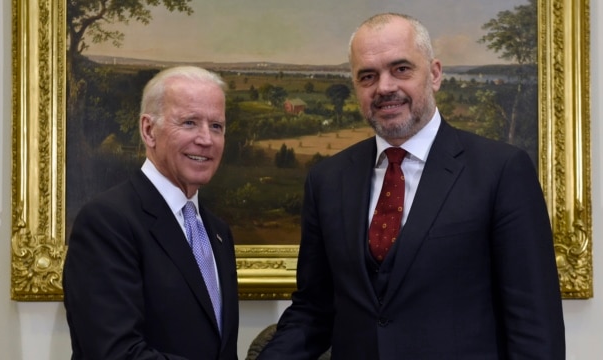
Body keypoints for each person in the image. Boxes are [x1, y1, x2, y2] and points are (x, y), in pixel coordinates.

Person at [257, 13, 565, 359]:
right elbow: (314, 310)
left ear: (434, 74)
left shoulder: (501, 171)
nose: (384, 87)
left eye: (401, 69)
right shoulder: (327, 180)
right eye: (368, 76)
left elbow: (534, 325)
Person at [63, 66, 239, 359]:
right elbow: (115, 352)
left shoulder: (218, 232)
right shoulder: (106, 223)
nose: (206, 139)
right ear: (148, 130)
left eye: (216, 126)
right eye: (190, 123)